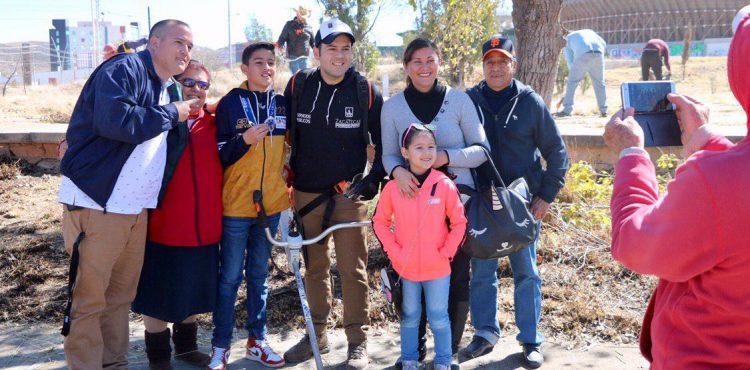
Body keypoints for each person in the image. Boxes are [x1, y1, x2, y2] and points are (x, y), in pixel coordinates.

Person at [602, 9, 750, 368]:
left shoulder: (717, 181)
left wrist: (631, 154)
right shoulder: (726, 176)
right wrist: (707, 140)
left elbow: (634, 244)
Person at [58, 19, 196, 369]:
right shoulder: (125, 69)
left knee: (119, 299)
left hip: (135, 209)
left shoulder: (167, 86)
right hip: (96, 204)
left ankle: (114, 364)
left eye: (190, 46)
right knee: (89, 301)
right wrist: (172, 114)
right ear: (154, 43)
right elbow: (117, 122)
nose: (186, 51)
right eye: (179, 42)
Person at [281, 17, 386, 369]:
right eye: (332, 49)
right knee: (315, 268)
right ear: (316, 52)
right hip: (306, 195)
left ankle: (357, 341)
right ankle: (317, 336)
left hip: (348, 196)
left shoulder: (365, 90)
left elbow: (385, 143)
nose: (339, 56)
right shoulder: (298, 85)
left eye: (346, 49)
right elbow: (283, 136)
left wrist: (374, 180)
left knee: (353, 269)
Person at [381, 37, 489, 368]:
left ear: (439, 62)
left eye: (431, 60)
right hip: (413, 204)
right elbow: (387, 153)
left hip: (457, 202)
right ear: (406, 67)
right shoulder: (393, 107)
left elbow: (482, 150)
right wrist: (397, 171)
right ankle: (413, 351)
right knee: (413, 277)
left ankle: (448, 352)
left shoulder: (460, 101)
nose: (424, 67)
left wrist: (444, 156)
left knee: (454, 278)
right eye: (417, 61)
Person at [464, 35, 569, 369]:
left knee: (527, 273)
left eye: (503, 61)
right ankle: (484, 333)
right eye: (490, 62)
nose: (496, 68)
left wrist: (546, 196)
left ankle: (530, 339)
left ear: (514, 64)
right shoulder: (470, 101)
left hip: (523, 204)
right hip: (483, 205)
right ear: (483, 66)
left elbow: (557, 152)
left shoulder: (530, 102)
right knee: (482, 271)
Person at [131, 60, 222, 370]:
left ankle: (185, 349)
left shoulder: (216, 123)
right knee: (155, 296)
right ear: (175, 84)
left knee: (192, 291)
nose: (196, 89)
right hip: (163, 227)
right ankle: (158, 358)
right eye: (189, 82)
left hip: (204, 229)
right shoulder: (161, 122)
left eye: (202, 84)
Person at [208, 42, 289, 370]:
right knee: (229, 277)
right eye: (259, 63)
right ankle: (220, 345)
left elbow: (290, 148)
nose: (266, 68)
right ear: (245, 68)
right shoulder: (230, 102)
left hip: (271, 204)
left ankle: (258, 340)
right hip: (237, 205)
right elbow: (221, 153)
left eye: (271, 63)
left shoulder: (282, 103)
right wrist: (245, 140)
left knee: (259, 276)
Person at [373, 124, 468, 370]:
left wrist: (445, 253)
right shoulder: (394, 187)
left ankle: (444, 361)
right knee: (409, 318)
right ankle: (409, 359)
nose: (427, 153)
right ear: (405, 152)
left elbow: (459, 223)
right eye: (419, 147)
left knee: (438, 318)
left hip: (438, 269)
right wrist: (395, 253)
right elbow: (380, 222)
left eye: (431, 147)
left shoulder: (444, 184)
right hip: (406, 270)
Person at [556, 29, 607, 118]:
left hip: (583, 54)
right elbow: (603, 43)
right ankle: (604, 111)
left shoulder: (567, 39)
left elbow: (569, 61)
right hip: (599, 53)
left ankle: (567, 110)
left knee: (572, 83)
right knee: (600, 83)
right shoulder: (589, 31)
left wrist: (576, 77)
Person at [277, 6, 314, 73]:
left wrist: (316, 49)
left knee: (305, 77)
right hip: (293, 57)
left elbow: (313, 42)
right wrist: (281, 46)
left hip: (305, 57)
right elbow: (282, 38)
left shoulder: (309, 27)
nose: (303, 19)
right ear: (297, 15)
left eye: (304, 17)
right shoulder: (289, 25)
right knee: (296, 78)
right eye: (302, 17)